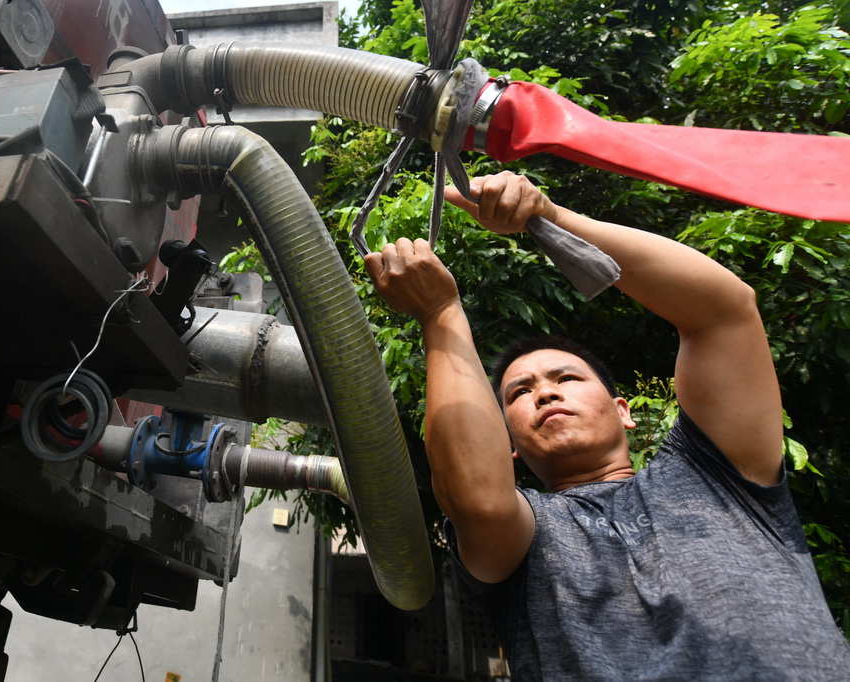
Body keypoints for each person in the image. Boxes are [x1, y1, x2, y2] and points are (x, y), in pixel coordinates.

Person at [364, 171, 850, 679]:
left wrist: (549, 218)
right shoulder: (524, 534)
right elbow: (478, 498)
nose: (545, 392)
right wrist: (440, 312)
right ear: (506, 446)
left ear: (623, 410)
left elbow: (723, 313)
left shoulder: (721, 477)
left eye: (566, 377)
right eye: (519, 393)